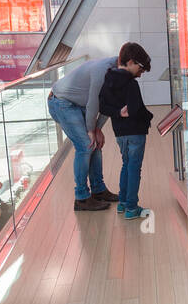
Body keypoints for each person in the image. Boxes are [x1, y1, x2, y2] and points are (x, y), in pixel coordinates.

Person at [47, 52, 122, 211]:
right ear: (129, 63)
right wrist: (91, 129)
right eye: (139, 69)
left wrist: (97, 129)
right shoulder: (103, 71)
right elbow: (94, 103)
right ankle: (81, 198)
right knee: (86, 145)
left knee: (95, 144)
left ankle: (98, 190)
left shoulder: (117, 72)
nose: (138, 75)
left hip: (78, 104)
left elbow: (108, 103)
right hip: (61, 102)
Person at [98, 42, 154, 220]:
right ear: (130, 62)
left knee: (126, 164)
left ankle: (122, 202)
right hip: (136, 132)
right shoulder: (131, 84)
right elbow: (136, 110)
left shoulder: (108, 80)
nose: (140, 72)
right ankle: (131, 207)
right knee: (134, 168)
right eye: (140, 67)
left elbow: (102, 106)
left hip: (119, 132)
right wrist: (149, 117)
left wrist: (117, 113)